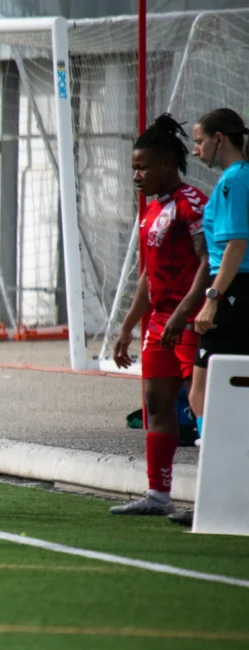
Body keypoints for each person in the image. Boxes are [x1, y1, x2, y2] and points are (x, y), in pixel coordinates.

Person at [111, 114, 210, 516]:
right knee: (156, 403)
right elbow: (147, 278)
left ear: (167, 165)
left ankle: (214, 495)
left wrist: (184, 311)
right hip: (159, 323)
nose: (136, 175)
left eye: (142, 167)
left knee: (203, 404)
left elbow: (209, 263)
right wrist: (126, 328)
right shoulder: (152, 211)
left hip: (189, 320)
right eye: (134, 168)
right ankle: (158, 495)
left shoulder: (193, 205)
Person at [176, 108, 249, 527]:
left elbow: (236, 246)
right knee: (208, 391)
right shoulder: (233, 181)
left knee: (205, 394)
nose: (196, 148)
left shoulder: (234, 181)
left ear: (220, 139)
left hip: (234, 293)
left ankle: (218, 493)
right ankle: (218, 492)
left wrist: (213, 298)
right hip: (234, 291)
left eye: (200, 139)